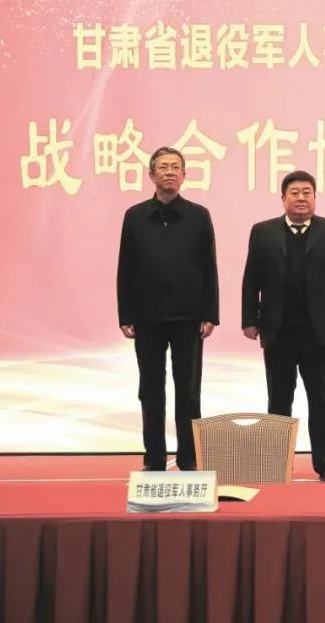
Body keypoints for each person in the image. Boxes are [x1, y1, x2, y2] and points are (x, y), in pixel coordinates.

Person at [241, 170, 325, 483]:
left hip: (318, 330)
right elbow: (251, 278)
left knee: (321, 398)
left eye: (307, 192)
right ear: (283, 198)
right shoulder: (263, 232)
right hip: (277, 328)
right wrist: (250, 319)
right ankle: (276, 464)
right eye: (295, 192)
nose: (301, 198)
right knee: (279, 398)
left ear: (315, 198)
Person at [117, 147, 219, 472]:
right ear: (151, 175)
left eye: (176, 167)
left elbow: (209, 266)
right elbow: (126, 267)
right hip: (147, 317)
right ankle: (154, 458)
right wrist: (125, 314)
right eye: (163, 167)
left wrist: (210, 313)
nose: (170, 172)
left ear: (184, 175)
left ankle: (189, 458)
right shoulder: (135, 216)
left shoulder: (199, 216)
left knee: (188, 392)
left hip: (189, 317)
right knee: (150, 390)